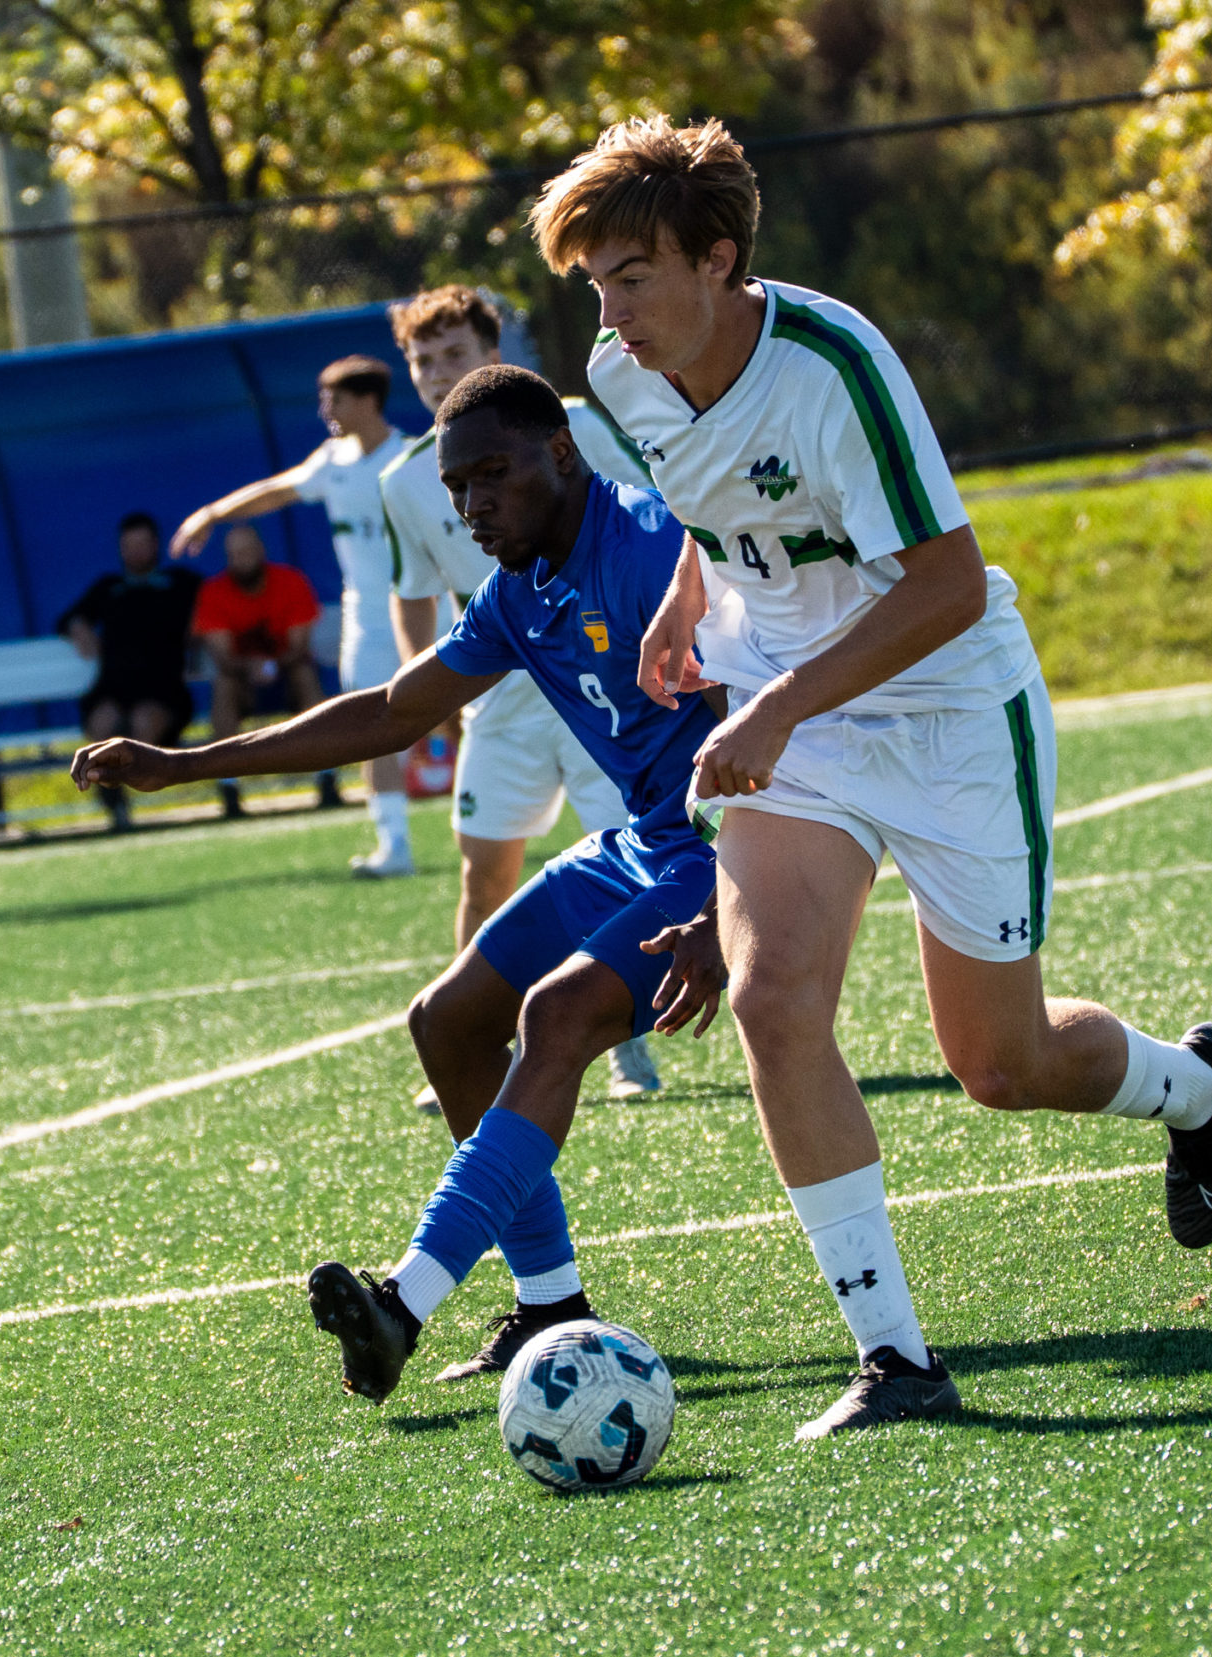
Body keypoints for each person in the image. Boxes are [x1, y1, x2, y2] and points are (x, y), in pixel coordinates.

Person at [536, 115, 1212, 1439]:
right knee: (772, 1001)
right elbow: (711, 502)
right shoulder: (622, 375)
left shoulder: (836, 365)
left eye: (631, 277)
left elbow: (946, 582)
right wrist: (688, 600)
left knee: (1000, 1063)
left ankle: (1198, 1086)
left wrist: (781, 703)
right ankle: (895, 1357)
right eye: (593, 284)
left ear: (717, 259)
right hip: (797, 723)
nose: (609, 313)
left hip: (946, 711)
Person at [75, 367, 727, 1400]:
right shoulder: (519, 594)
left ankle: (405, 1304)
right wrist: (187, 764)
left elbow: (775, 720)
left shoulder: (654, 549)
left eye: (492, 476)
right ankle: (550, 1305)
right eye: (458, 487)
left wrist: (725, 905)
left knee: (557, 1015)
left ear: (562, 452)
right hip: (643, 844)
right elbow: (388, 711)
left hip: (729, 852)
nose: (471, 506)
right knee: (449, 1022)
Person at [381, 284, 665, 1103]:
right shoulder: (403, 480)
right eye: (423, 361)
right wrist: (429, 693)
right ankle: (472, 1043)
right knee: (484, 872)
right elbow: (412, 593)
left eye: (456, 354)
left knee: (627, 860)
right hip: (499, 696)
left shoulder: (567, 423)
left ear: (493, 352)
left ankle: (627, 1052)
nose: (439, 372)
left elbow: (652, 516)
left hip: (603, 678)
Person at [172, 357, 415, 876]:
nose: (325, 409)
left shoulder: (413, 456)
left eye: (335, 399)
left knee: (466, 719)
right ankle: (394, 847)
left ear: (368, 401)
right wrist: (212, 514)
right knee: (372, 728)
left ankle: (489, 827)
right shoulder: (331, 460)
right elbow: (276, 491)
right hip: (368, 623)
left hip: (429, 609)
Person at [58, 513, 204, 828]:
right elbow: (68, 618)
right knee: (103, 722)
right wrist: (79, 627)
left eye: (142, 544)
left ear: (156, 545)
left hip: (164, 690)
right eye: (128, 545)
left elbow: (217, 604)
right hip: (113, 687)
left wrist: (198, 633)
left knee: (142, 723)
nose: (136, 552)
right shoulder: (108, 588)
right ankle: (115, 806)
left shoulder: (182, 583)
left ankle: (136, 787)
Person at [190, 525, 339, 819]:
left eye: (247, 551)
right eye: (235, 554)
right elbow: (223, 658)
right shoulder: (214, 592)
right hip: (243, 684)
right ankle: (229, 787)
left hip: (288, 678)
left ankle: (327, 777)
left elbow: (299, 648)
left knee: (305, 675)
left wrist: (271, 666)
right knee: (224, 685)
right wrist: (251, 667)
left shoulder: (291, 582)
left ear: (261, 550)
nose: (242, 559)